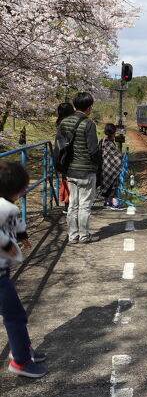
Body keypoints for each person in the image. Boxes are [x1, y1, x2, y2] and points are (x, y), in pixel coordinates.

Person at [0, 161, 48, 378]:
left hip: (3, 270)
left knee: (14, 313)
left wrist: (21, 236)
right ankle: (20, 361)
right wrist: (7, 245)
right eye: (23, 188)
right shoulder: (5, 207)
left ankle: (23, 348)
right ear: (18, 190)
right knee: (15, 315)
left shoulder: (8, 205)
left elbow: (15, 223)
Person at [57, 92, 101, 244]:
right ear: (89, 107)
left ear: (75, 105)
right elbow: (93, 150)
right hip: (86, 172)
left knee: (72, 205)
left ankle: (72, 236)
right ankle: (84, 236)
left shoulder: (64, 122)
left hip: (70, 171)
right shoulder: (89, 124)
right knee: (84, 206)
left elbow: (60, 146)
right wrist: (97, 166)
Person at [55, 102, 75, 214]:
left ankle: (67, 206)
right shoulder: (72, 123)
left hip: (63, 157)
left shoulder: (59, 123)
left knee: (66, 180)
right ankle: (70, 206)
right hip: (72, 156)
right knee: (71, 182)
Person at [99, 124, 123, 209]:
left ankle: (107, 202)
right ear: (113, 132)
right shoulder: (110, 143)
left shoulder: (103, 140)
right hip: (112, 169)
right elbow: (117, 156)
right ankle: (115, 203)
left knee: (106, 185)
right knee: (113, 186)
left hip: (104, 167)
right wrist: (120, 155)